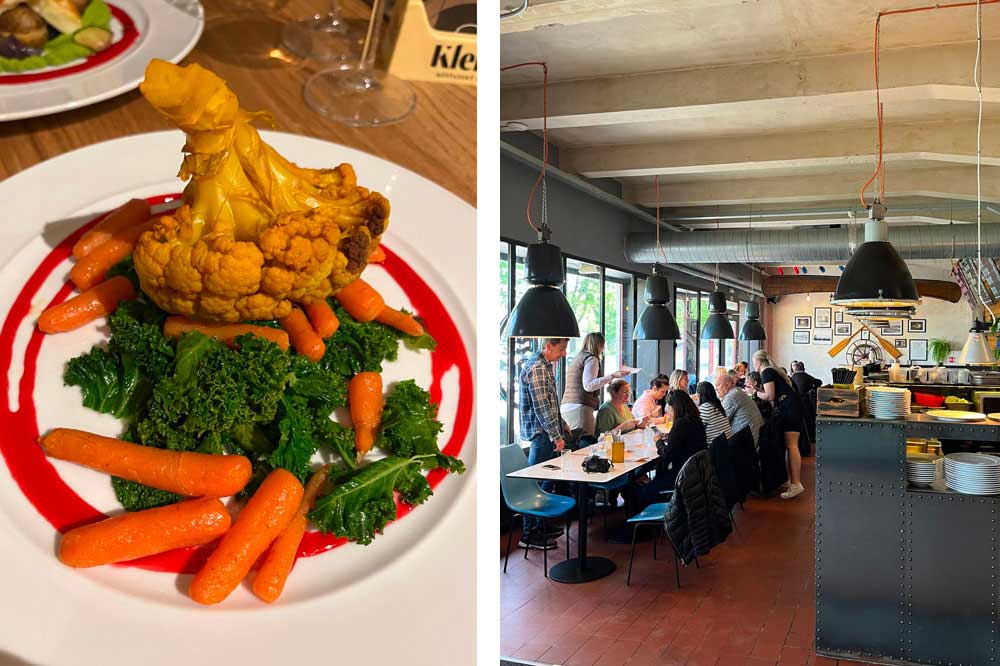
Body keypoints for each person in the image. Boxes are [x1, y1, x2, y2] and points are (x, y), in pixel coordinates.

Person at [517, 337, 570, 549]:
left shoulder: (544, 365)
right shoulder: (538, 368)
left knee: (546, 481)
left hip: (546, 432)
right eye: (561, 348)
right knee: (536, 484)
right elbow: (541, 408)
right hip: (541, 434)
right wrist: (556, 435)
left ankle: (540, 526)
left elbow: (550, 403)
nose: (564, 353)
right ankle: (528, 534)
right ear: (548, 346)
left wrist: (562, 423)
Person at [753, 350, 805, 499]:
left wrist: (755, 393)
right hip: (792, 406)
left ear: (758, 362)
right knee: (790, 445)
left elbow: (770, 395)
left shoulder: (766, 372)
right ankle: (791, 481)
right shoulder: (771, 371)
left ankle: (796, 484)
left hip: (789, 409)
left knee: (791, 444)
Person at [560, 332, 629, 437]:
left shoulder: (578, 358)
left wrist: (605, 380)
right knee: (585, 444)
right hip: (580, 407)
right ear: (599, 345)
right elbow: (588, 386)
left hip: (568, 406)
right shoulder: (592, 359)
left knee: (572, 442)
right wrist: (612, 376)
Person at [645, 390, 707, 498]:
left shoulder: (680, 424)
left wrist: (658, 441)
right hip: (695, 473)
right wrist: (671, 437)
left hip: (681, 475)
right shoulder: (695, 420)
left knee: (643, 492)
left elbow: (667, 455)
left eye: (669, 409)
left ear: (675, 407)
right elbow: (685, 440)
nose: (668, 412)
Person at [714, 373, 764, 445]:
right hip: (756, 437)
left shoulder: (731, 397)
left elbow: (720, 422)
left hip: (746, 443)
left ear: (728, 385)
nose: (716, 389)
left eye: (718, 385)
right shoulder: (737, 392)